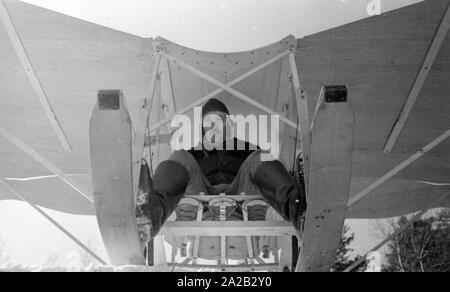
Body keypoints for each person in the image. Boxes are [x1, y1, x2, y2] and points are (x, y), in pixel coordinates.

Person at [137, 99, 307, 242]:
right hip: (200, 203)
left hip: (242, 201)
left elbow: (265, 172)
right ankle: (150, 217)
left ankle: (299, 212)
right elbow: (179, 172)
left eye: (220, 119)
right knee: (178, 156)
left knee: (262, 156)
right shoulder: (192, 153)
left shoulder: (248, 149)